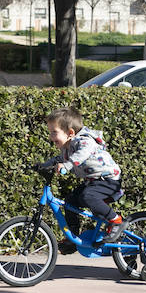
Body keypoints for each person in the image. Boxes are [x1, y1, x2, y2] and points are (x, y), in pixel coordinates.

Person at [41, 106, 125, 253]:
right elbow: (59, 159)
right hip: (93, 181)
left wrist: (67, 165)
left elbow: (82, 154)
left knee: (88, 196)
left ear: (70, 133)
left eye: (54, 132)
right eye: (50, 132)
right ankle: (72, 236)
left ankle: (116, 221)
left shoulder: (84, 141)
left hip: (108, 179)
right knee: (70, 201)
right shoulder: (67, 148)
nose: (51, 136)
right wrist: (42, 166)